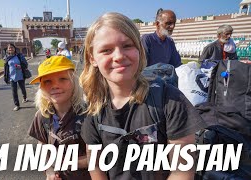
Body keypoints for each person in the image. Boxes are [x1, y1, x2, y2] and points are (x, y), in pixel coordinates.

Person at [79, 12, 206, 180]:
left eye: (127, 46)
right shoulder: (92, 107)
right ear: (92, 58)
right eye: (106, 50)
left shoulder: (171, 100)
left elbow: (182, 171)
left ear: (139, 49)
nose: (118, 56)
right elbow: (96, 166)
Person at [28, 56, 91, 180]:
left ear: (73, 81)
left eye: (62, 79)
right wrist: (49, 171)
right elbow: (43, 146)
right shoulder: (42, 116)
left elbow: (100, 156)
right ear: (41, 87)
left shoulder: (88, 114)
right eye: (47, 81)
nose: (55, 86)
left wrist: (69, 162)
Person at [4, 43, 28, 111]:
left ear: (14, 48)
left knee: (22, 88)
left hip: (20, 75)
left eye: (12, 47)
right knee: (14, 91)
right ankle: (17, 105)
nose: (10, 49)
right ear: (8, 50)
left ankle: (24, 97)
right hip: (12, 77)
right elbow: (6, 68)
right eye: (9, 48)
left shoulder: (19, 56)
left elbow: (25, 64)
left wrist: (20, 66)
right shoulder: (6, 58)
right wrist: (5, 76)